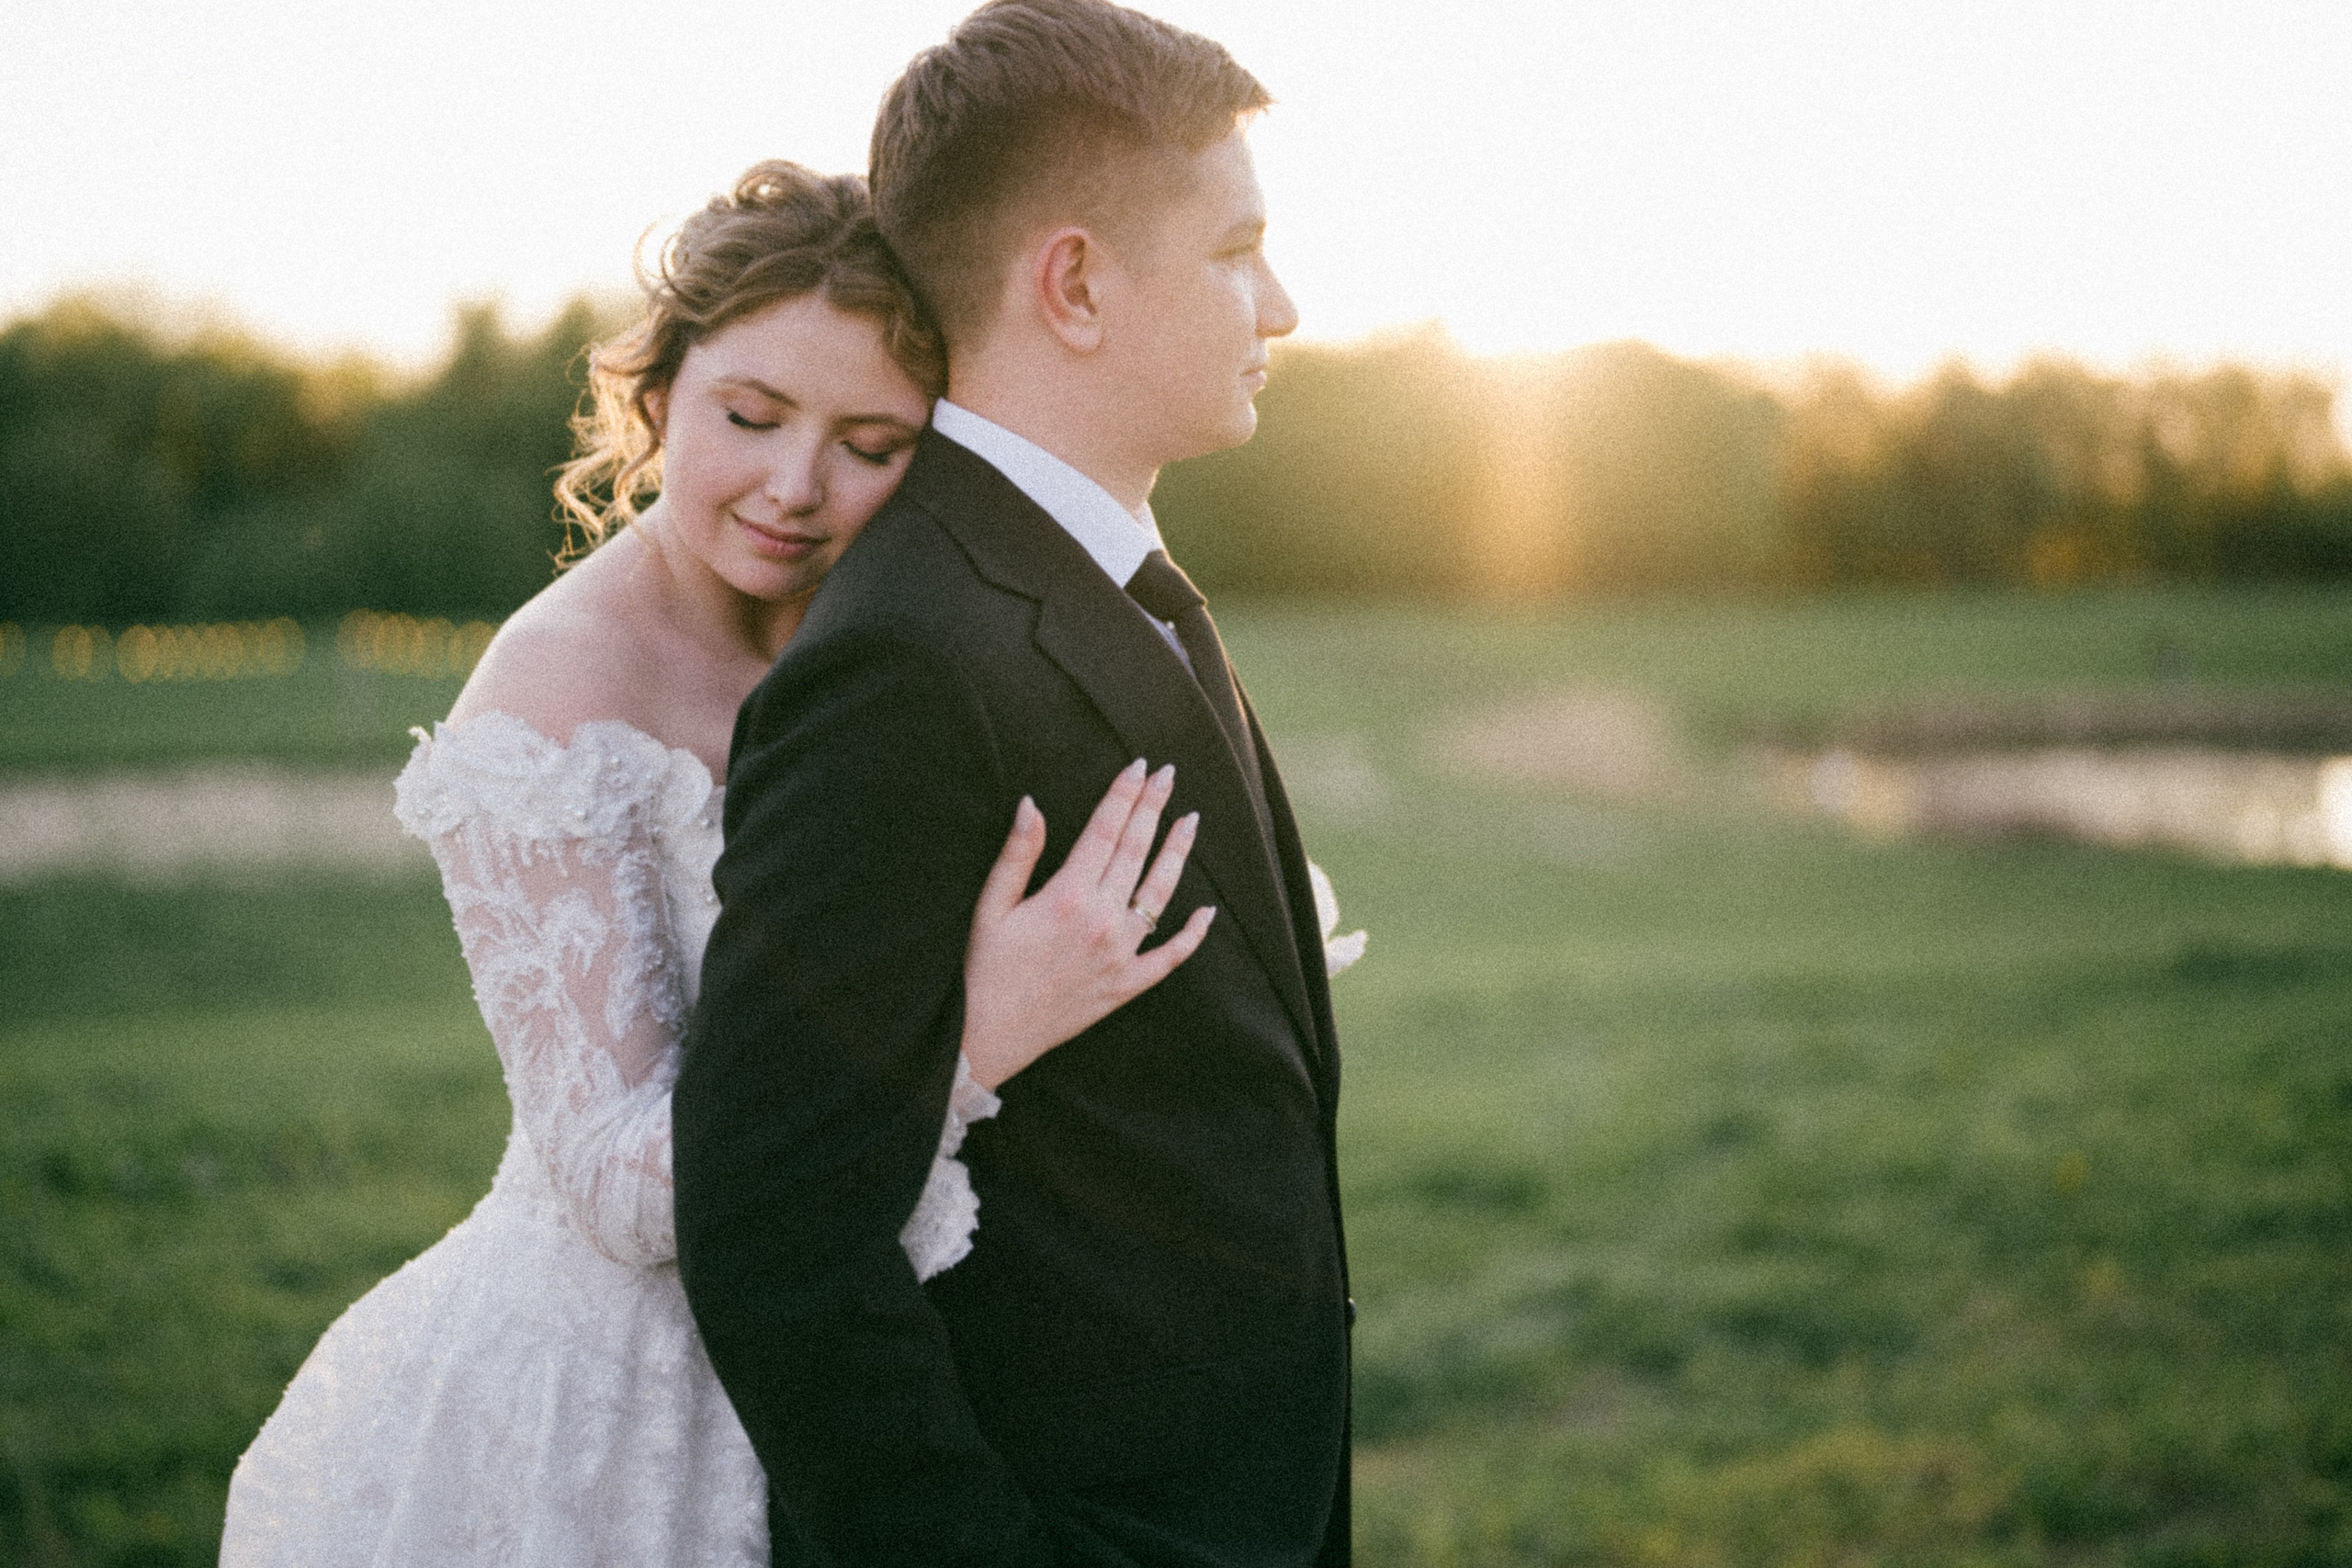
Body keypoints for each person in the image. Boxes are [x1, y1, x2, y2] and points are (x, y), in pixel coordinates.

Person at [219, 161, 1216, 1566]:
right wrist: (976, 1036)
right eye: (750, 418)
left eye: (872, 444)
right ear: (654, 393)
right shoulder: (557, 690)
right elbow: (622, 1191)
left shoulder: (885, 645)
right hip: (618, 1409)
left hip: (877, 1353)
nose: (796, 489)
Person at [673, 3, 1355, 1564]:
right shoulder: (908, 659)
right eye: (1238, 249)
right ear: (1073, 283)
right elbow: (774, 1233)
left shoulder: (1094, 578)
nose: (1288, 304)